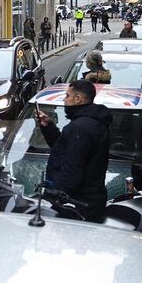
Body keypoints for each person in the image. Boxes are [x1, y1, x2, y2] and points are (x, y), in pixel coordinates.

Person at [35, 80, 112, 221]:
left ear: (78, 99)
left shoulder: (79, 128)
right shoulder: (93, 123)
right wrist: (49, 127)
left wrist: (55, 198)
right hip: (91, 202)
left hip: (77, 205)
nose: (64, 99)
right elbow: (64, 150)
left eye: (67, 95)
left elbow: (71, 168)